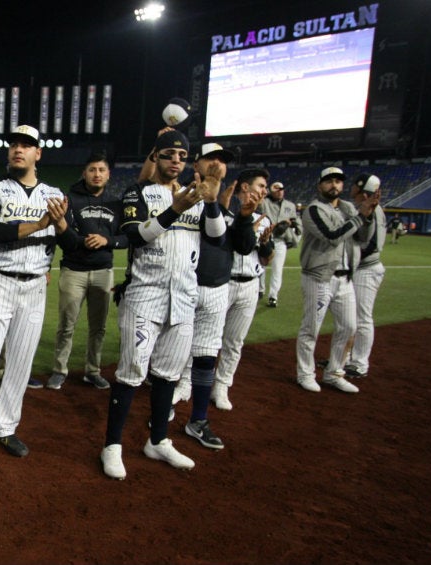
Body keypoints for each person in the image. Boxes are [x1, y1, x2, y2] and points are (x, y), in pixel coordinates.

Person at [99, 130, 226, 480]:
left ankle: (158, 440)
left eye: (182, 156)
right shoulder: (137, 192)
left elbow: (216, 236)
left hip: (184, 298)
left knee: (168, 374)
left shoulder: (196, 196)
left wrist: (212, 200)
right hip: (145, 296)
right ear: (155, 157)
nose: (176, 161)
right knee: (131, 373)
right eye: (169, 154)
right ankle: (112, 445)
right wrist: (174, 210)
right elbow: (134, 234)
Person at [0, 124, 69, 469]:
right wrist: (39, 225)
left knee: (20, 363)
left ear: (38, 153)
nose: (18, 149)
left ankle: (5, 427)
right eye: (14, 145)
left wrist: (59, 230)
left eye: (27, 145)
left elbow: (66, 239)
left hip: (34, 285)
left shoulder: (54, 193)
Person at [166, 145, 257, 450]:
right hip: (184, 286)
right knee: (171, 355)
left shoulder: (226, 209)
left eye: (224, 161)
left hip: (219, 290)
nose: (218, 164)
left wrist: (244, 216)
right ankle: (163, 407)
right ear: (197, 163)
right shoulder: (179, 196)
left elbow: (243, 247)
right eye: (212, 159)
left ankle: (198, 420)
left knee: (206, 357)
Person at [46, 152, 128, 390]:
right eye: (92, 169)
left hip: (103, 272)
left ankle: (93, 370)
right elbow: (64, 238)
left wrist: (107, 241)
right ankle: (59, 369)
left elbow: (127, 237)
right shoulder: (70, 199)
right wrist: (85, 242)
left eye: (101, 170)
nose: (97, 174)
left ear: (108, 174)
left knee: (99, 327)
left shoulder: (116, 203)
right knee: (66, 325)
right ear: (84, 173)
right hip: (74, 271)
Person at [295, 167, 378, 394]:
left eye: (339, 182)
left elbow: (363, 238)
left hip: (345, 277)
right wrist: (361, 216)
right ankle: (305, 373)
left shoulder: (348, 208)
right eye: (329, 181)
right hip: (318, 277)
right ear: (320, 185)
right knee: (311, 328)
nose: (335, 185)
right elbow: (332, 236)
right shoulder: (313, 209)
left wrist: (368, 216)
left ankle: (334, 373)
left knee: (350, 327)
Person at [211, 169, 274, 411]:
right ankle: (188, 381)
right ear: (245, 188)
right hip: (223, 283)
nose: (264, 190)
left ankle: (222, 386)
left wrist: (267, 245)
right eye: (260, 185)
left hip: (250, 284)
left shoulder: (264, 220)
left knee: (234, 341)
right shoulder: (224, 214)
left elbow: (267, 259)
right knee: (207, 338)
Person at [345, 173, 387, 379]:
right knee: (350, 318)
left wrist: (349, 259)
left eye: (353, 184)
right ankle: (343, 359)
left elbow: (371, 245)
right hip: (361, 269)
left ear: (361, 189)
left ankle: (359, 363)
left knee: (362, 318)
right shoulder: (365, 207)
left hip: (366, 270)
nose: (350, 187)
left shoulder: (373, 209)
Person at [259, 180, 301, 307]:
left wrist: (295, 227)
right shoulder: (264, 202)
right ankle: (260, 290)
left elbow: (296, 220)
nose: (280, 192)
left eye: (282, 189)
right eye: (277, 190)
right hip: (265, 238)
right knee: (261, 265)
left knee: (277, 269)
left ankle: (273, 296)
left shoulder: (290, 205)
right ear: (271, 191)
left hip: (280, 240)